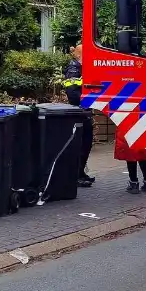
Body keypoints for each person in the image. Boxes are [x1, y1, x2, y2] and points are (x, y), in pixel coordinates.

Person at [63, 44, 94, 187]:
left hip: (84, 111)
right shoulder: (73, 68)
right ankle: (76, 175)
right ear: (80, 54)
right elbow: (72, 92)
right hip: (79, 112)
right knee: (80, 145)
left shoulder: (82, 67)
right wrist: (85, 104)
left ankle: (80, 172)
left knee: (86, 144)